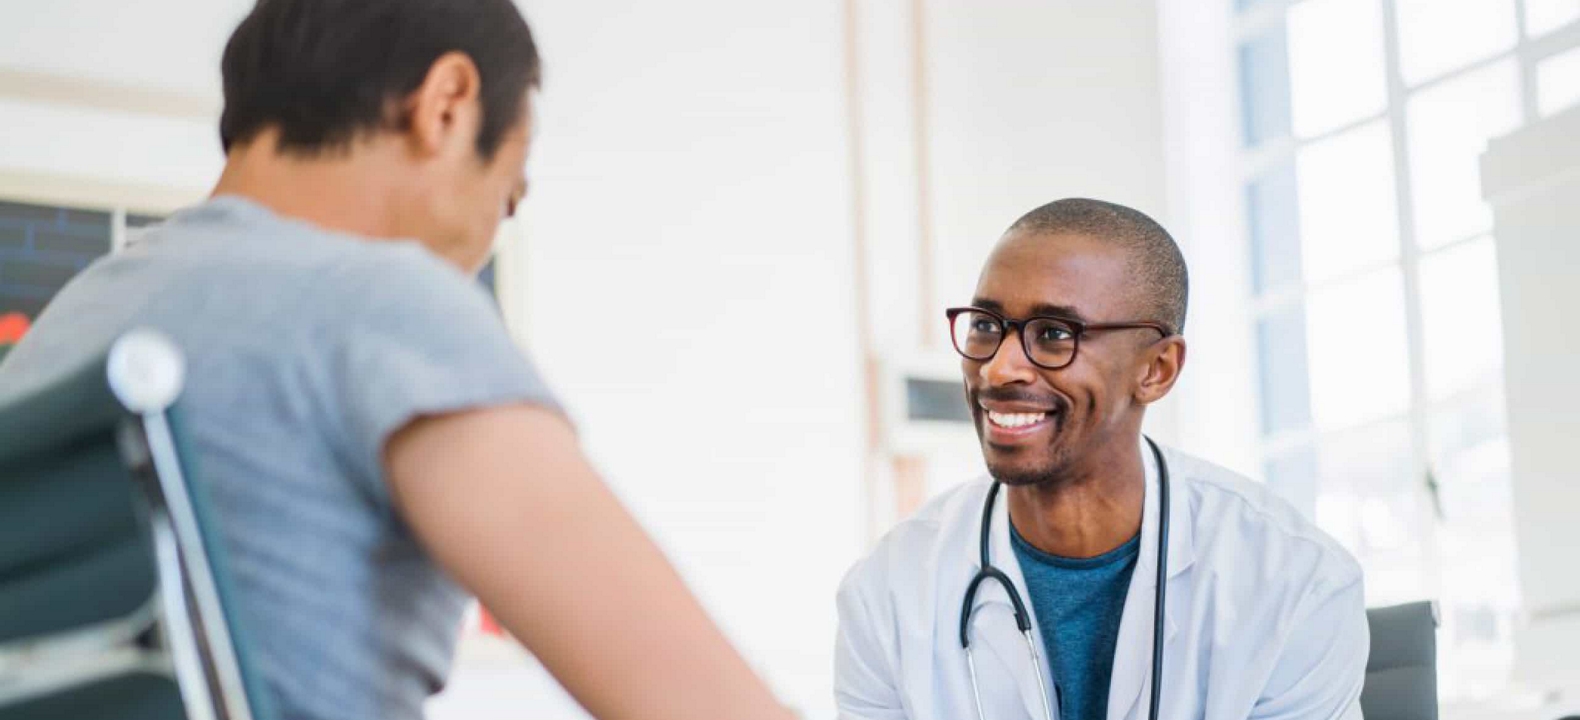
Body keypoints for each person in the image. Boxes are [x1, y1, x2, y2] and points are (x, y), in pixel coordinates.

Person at [0, 2, 793, 720]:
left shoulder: (76, 322)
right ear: (445, 104)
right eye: (506, 197)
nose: (487, 239)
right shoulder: (381, 303)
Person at [833, 199, 1368, 720]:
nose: (998, 370)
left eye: (1053, 334)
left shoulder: (1294, 581)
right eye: (986, 326)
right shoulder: (887, 594)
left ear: (1157, 369)